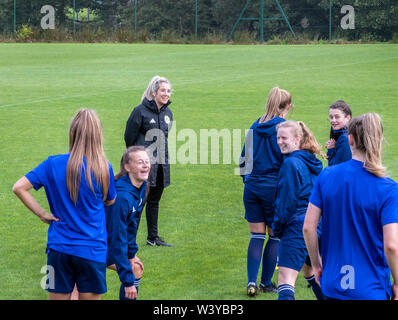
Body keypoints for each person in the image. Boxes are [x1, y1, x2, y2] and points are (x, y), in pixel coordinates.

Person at [12, 108, 116, 300]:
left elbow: (19, 187)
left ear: (72, 134)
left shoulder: (52, 164)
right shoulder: (104, 167)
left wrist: (42, 214)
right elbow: (110, 200)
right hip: (92, 250)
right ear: (98, 135)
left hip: (58, 248)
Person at [303, 113, 398, 300]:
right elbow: (391, 246)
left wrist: (316, 265)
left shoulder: (327, 176)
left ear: (350, 140)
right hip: (371, 289)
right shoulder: (388, 188)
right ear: (379, 140)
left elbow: (308, 227)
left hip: (333, 286)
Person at [239, 87, 293, 296]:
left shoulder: (255, 124)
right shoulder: (284, 127)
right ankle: (266, 283)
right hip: (273, 188)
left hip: (252, 187)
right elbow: (288, 160)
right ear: (288, 106)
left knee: (256, 236)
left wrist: (250, 182)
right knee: (275, 237)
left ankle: (251, 282)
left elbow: (244, 161)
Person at [272, 120, 324, 300]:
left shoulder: (290, 164)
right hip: (317, 225)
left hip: (296, 226)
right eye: (278, 138)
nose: (279, 142)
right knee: (312, 271)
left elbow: (286, 202)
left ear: (297, 139)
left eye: (284, 138)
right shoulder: (312, 162)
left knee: (285, 279)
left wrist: (277, 228)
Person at [124, 75, 173, 247]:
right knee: (138, 203)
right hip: (143, 167)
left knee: (154, 201)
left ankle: (153, 238)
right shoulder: (140, 111)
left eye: (168, 91)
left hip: (161, 165)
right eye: (162, 90)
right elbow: (129, 138)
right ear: (154, 92)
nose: (166, 94)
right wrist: (137, 160)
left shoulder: (168, 113)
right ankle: (129, 240)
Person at [106, 146, 150, 300]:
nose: (145, 165)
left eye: (147, 161)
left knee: (135, 268)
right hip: (96, 245)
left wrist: (131, 255)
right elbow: (117, 236)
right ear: (127, 167)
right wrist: (127, 281)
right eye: (140, 162)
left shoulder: (142, 187)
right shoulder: (122, 197)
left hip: (109, 243)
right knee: (78, 291)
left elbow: (132, 226)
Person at [325, 100, 352, 166]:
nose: (333, 120)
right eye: (331, 117)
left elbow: (335, 167)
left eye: (337, 117)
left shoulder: (344, 139)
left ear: (348, 118)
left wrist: (331, 150)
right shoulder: (341, 135)